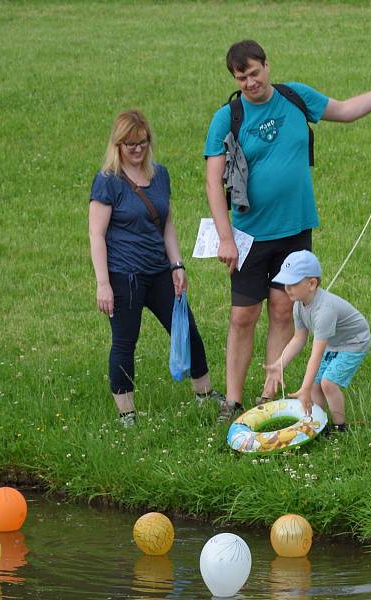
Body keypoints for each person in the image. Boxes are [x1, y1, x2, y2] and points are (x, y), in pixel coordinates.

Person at [204, 39, 371, 421]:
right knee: (242, 316)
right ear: (234, 79)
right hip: (249, 235)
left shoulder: (295, 98)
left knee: (284, 311)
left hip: (294, 230)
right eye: (242, 77)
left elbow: (348, 110)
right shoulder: (228, 117)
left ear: (267, 66)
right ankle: (232, 401)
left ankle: (270, 395)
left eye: (254, 73)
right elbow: (212, 181)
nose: (250, 82)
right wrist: (224, 238)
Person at [89, 109, 221, 427]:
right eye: (130, 144)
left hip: (159, 270)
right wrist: (103, 283)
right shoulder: (108, 181)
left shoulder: (159, 174)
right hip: (125, 276)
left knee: (186, 329)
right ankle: (127, 413)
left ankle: (205, 394)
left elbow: (167, 223)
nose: (137, 150)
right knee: (125, 341)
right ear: (117, 145)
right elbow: (97, 234)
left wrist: (177, 264)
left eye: (142, 143)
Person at [263, 251, 370, 433]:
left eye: (294, 283)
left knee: (328, 383)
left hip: (354, 342)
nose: (287, 288)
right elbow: (298, 339)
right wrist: (279, 364)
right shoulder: (298, 305)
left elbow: (316, 354)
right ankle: (319, 423)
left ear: (312, 284)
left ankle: (339, 427)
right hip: (336, 341)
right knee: (315, 385)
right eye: (286, 283)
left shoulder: (324, 311)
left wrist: (303, 389)